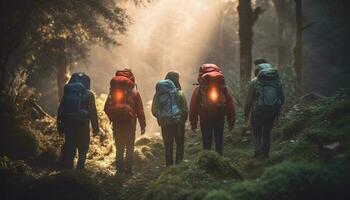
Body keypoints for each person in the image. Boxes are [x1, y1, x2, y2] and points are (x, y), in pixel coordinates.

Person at [104, 68, 146, 174]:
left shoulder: (113, 90)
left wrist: (112, 117)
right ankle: (128, 169)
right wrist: (143, 124)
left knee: (119, 147)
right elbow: (139, 109)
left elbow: (106, 107)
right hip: (130, 122)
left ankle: (119, 170)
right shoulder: (133, 89)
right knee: (130, 146)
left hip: (117, 123)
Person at [189, 64, 236, 155]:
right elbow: (230, 104)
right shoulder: (223, 88)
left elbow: (193, 107)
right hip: (220, 116)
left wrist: (193, 122)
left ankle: (206, 160)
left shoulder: (199, 89)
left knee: (206, 140)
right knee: (219, 139)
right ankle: (220, 160)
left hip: (205, 117)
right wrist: (231, 120)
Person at [57, 72, 99, 170]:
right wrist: (95, 128)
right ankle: (79, 173)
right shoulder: (89, 94)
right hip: (83, 126)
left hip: (69, 126)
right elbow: (93, 112)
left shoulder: (67, 92)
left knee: (70, 151)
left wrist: (60, 126)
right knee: (83, 150)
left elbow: (61, 109)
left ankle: (68, 174)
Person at [244, 59, 284, 158]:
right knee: (267, 132)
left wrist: (246, 113)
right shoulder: (277, 82)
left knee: (256, 132)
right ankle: (266, 154)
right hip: (272, 111)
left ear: (257, 71)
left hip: (258, 111)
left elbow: (248, 100)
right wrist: (277, 109)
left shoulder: (254, 82)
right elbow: (282, 98)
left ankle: (258, 152)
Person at [151, 71, 188, 166]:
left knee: (168, 145)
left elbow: (154, 110)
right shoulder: (179, 93)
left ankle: (169, 166)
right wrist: (182, 120)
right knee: (179, 143)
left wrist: (161, 117)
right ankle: (179, 165)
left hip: (165, 123)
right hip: (178, 123)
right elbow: (185, 109)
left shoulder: (158, 94)